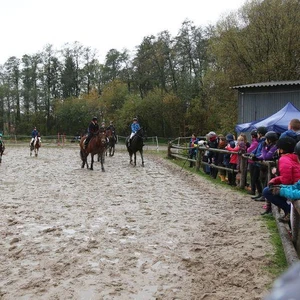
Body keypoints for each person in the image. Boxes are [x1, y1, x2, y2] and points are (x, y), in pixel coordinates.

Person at [262, 137, 300, 221]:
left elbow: (287, 180)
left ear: (282, 150)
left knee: (267, 191)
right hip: (296, 185)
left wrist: (278, 184)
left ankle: (288, 210)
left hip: (294, 187)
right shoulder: (294, 157)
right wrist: (276, 180)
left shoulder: (284, 159)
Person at [249, 126, 268, 201]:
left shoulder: (263, 142)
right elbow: (256, 150)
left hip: (260, 162)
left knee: (260, 179)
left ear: (260, 133)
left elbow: (261, 152)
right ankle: (260, 193)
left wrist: (256, 156)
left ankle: (262, 194)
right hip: (257, 162)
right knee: (258, 179)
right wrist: (251, 153)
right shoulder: (260, 141)